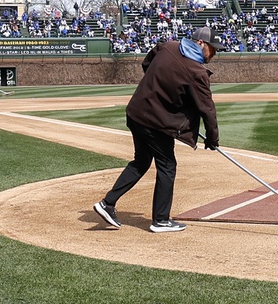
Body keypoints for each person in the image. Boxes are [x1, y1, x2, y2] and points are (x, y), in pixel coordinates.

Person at [93, 35, 218, 233]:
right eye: (213, 49)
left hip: (136, 112)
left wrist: (157, 88)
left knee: (141, 162)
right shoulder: (197, 72)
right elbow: (207, 109)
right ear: (201, 43)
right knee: (167, 166)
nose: (214, 54)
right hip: (156, 123)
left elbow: (147, 64)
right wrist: (213, 139)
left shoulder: (167, 46)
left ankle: (107, 203)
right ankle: (160, 220)